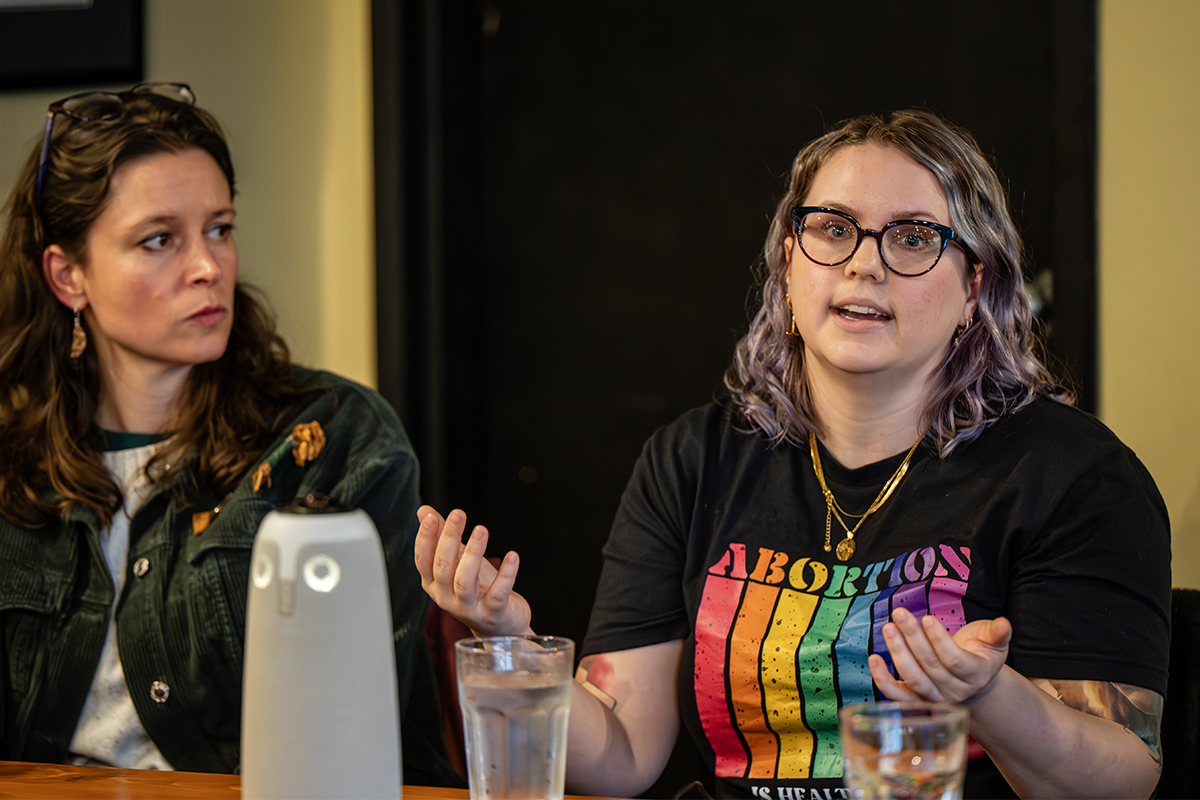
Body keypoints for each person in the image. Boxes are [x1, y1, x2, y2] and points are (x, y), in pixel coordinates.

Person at [416, 109, 1171, 799]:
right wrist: (512, 646)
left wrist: (986, 694)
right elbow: (619, 759)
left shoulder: (1072, 475)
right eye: (833, 228)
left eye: (912, 237)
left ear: (975, 287)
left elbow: (1121, 780)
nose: (864, 264)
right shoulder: (692, 458)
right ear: (789, 261)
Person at [0, 82, 459, 784]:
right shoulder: (12, 457)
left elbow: (363, 735)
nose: (209, 267)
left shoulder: (332, 440)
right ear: (68, 276)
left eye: (220, 228)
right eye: (160, 240)